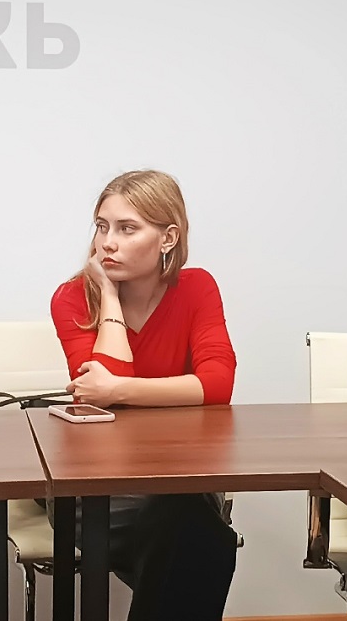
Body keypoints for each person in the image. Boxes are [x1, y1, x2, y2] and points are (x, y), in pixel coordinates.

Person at [50, 169, 237, 621]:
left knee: (183, 525)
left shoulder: (197, 288)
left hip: (179, 478)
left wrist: (120, 390)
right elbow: (101, 392)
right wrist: (109, 298)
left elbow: (218, 385)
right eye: (102, 227)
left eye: (127, 229)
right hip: (96, 487)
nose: (107, 244)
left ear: (168, 238)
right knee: (203, 540)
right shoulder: (72, 299)